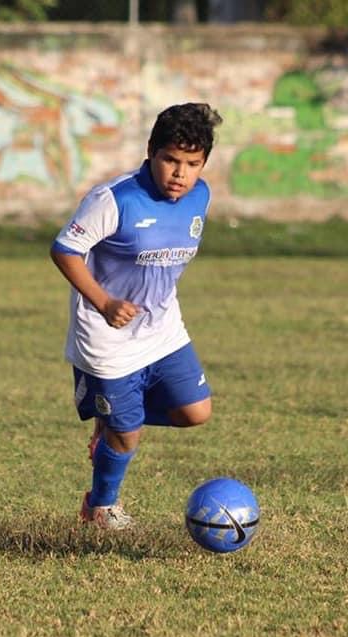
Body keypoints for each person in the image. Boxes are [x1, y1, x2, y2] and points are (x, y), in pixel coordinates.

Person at [50, 103, 222, 529]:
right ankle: (100, 507)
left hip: (162, 329)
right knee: (128, 435)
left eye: (192, 164)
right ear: (150, 152)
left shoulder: (200, 196)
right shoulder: (115, 199)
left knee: (195, 413)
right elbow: (65, 250)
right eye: (171, 160)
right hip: (106, 337)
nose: (180, 174)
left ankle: (111, 427)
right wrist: (103, 302)